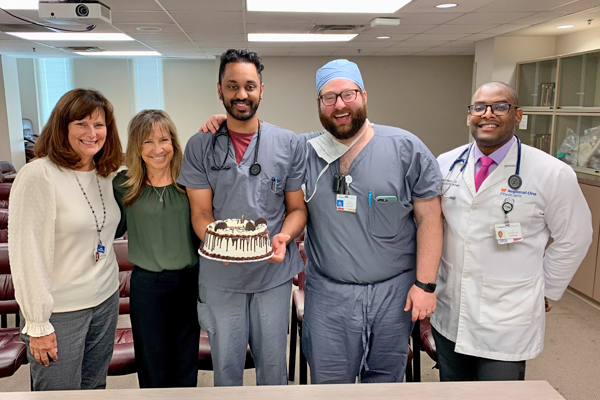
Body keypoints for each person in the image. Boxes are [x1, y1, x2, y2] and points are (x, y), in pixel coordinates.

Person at [201, 59, 444, 384]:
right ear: (319, 104)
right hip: (329, 295)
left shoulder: (405, 148)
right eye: (329, 98)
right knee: (328, 382)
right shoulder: (304, 149)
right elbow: (260, 137)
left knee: (386, 381)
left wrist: (426, 284)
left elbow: (430, 217)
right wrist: (226, 121)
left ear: (364, 96)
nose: (339, 105)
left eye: (348, 94)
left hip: (393, 294)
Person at [433, 81, 593, 381]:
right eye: (479, 107)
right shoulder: (447, 164)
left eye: (500, 106)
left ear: (517, 115)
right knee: (451, 392)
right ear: (470, 115)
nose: (488, 114)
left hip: (507, 316)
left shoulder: (551, 172)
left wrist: (544, 288)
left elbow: (576, 236)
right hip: (451, 308)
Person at [177, 49, 307, 386]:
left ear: (262, 89)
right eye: (232, 86)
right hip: (222, 278)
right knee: (227, 367)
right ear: (219, 90)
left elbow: (296, 210)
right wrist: (225, 247)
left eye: (249, 86)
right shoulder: (199, 146)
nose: (241, 94)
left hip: (273, 275)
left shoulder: (287, 143)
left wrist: (284, 237)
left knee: (274, 368)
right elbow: (201, 214)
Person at [8, 88, 123, 391]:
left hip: (105, 299)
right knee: (57, 393)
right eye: (80, 124)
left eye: (99, 125)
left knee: (94, 387)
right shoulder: (38, 175)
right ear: (62, 127)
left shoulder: (106, 174)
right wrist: (37, 323)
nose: (91, 133)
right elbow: (26, 255)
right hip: (60, 312)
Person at [113, 110, 200, 388]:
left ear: (174, 142)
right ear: (136, 147)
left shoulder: (191, 183)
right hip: (146, 286)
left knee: (185, 362)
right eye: (148, 142)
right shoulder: (124, 187)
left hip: (188, 282)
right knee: (152, 364)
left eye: (164, 140)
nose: (158, 149)